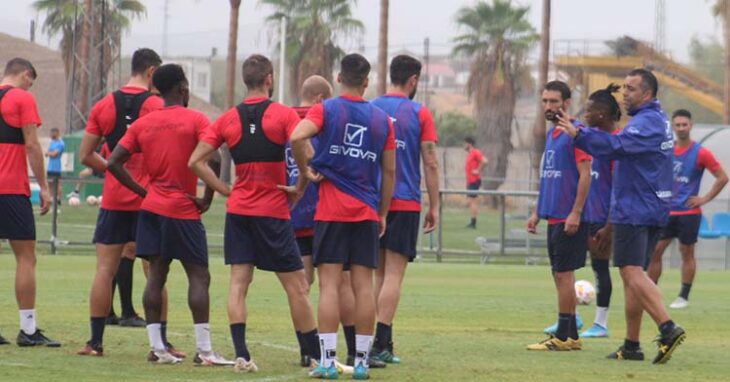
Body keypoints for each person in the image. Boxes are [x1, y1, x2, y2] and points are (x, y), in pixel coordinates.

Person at [188, 54, 320, 373]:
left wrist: (224, 189)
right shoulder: (282, 114)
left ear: (246, 81)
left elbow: (195, 161)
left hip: (239, 212)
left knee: (238, 283)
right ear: (270, 79)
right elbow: (308, 150)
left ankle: (242, 355)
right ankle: (314, 354)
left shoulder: (227, 119)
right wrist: (300, 182)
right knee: (297, 285)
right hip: (272, 211)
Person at [558, 68, 686, 364]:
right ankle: (631, 345)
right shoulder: (654, 120)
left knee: (630, 272)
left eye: (631, 88)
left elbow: (615, 146)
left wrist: (579, 133)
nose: (624, 93)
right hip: (650, 207)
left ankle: (668, 327)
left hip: (637, 208)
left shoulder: (647, 123)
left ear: (647, 94)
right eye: (624, 88)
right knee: (634, 276)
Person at [107, 63, 229, 365]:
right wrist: (207, 197)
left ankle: (158, 349)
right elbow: (213, 158)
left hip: (151, 210)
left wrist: (143, 192)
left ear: (158, 90)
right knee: (199, 276)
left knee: (156, 277)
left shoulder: (142, 123)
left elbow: (113, 163)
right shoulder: (197, 119)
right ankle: (204, 351)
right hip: (184, 210)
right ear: (184, 88)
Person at [290, 53, 396, 380]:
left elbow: (296, 136)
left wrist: (308, 167)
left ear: (338, 78)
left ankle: (327, 362)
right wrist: (382, 212)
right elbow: (389, 171)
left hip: (331, 212)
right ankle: (361, 363)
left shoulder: (326, 109)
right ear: (366, 82)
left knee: (330, 286)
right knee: (364, 287)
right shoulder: (381, 120)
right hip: (365, 211)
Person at [78, 48, 178, 356]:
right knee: (155, 272)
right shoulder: (157, 105)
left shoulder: (104, 104)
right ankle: (159, 345)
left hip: (113, 200)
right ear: (151, 73)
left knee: (104, 270)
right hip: (150, 200)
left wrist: (112, 171)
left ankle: (95, 343)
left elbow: (85, 155)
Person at [370, 54, 439, 364]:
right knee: (394, 276)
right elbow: (431, 161)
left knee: (378, 276)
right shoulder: (419, 112)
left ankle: (377, 340)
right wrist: (435, 205)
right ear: (413, 81)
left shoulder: (370, 108)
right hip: (405, 201)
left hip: (371, 203)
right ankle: (381, 344)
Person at [285, 75, 350, 368]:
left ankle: (307, 350)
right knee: (339, 283)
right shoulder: (324, 119)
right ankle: (352, 351)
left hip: (292, 213)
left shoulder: (283, 120)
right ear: (321, 100)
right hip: (325, 212)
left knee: (301, 286)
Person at [526, 80, 592, 351]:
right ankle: (572, 334)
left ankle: (563, 337)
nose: (548, 107)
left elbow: (586, 174)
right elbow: (549, 177)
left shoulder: (576, 133)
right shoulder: (553, 136)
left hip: (569, 218)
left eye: (554, 101)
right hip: (553, 217)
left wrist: (575, 213)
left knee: (564, 275)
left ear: (566, 103)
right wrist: (537, 212)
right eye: (545, 101)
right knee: (559, 275)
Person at [0, 57, 60, 347]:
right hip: (10, 187)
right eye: (31, 80)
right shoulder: (22, 97)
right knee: (26, 257)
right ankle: (28, 329)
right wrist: (45, 188)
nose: (30, 85)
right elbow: (33, 145)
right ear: (25, 74)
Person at [648, 109, 728, 308]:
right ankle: (650, 292)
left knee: (687, 252)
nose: (681, 128)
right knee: (656, 251)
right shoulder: (666, 151)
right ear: (673, 127)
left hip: (689, 213)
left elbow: (722, 177)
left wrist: (704, 198)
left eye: (685, 124)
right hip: (666, 211)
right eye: (678, 125)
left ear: (690, 126)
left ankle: (683, 296)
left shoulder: (700, 152)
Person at [578, 84, 622, 338]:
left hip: (601, 218)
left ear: (602, 114)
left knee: (599, 267)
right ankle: (570, 318)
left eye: (589, 110)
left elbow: (618, 187)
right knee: (565, 265)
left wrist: (609, 224)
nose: (585, 113)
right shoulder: (587, 138)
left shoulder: (618, 145)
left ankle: (601, 324)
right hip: (581, 214)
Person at [463, 136, 486, 229]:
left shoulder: (476, 152)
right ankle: (472, 222)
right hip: (470, 181)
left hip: (474, 181)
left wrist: (478, 170)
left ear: (469, 144)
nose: (463, 146)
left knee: (472, 202)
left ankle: (473, 223)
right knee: (471, 202)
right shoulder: (470, 154)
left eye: (464, 143)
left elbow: (484, 161)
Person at [45, 127, 65, 205]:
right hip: (50, 166)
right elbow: (49, 152)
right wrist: (49, 153)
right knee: (49, 183)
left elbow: (54, 154)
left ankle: (58, 199)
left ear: (56, 133)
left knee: (57, 183)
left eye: (52, 133)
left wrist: (49, 153)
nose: (51, 135)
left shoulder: (61, 143)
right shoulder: (52, 142)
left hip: (56, 167)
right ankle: (50, 198)